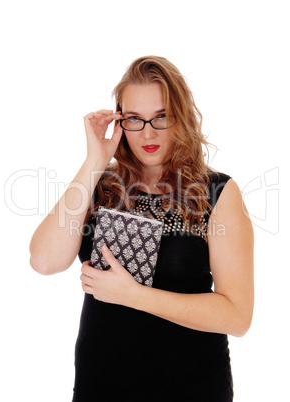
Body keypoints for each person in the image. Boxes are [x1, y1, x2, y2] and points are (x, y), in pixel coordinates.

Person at [29, 55, 254, 402]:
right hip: (100, 385)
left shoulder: (217, 193)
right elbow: (44, 260)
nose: (148, 132)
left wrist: (133, 295)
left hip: (191, 387)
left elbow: (237, 316)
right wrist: (94, 161)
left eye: (161, 117)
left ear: (181, 117)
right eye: (134, 119)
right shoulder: (99, 185)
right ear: (120, 121)